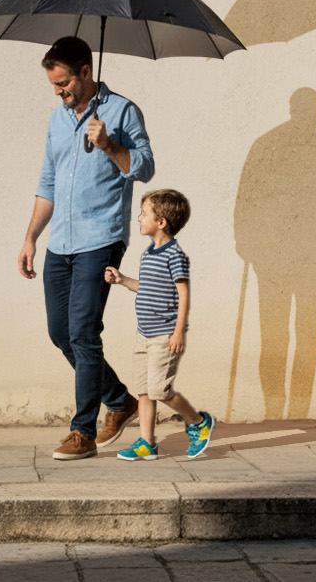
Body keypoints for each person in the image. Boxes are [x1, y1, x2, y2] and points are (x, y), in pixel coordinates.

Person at [18, 36, 156, 461]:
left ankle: (83, 431)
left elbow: (146, 168)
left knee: (83, 330)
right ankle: (119, 399)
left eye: (64, 84)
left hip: (102, 238)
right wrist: (30, 238)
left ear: (85, 72)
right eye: (53, 86)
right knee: (61, 332)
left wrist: (111, 145)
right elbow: (48, 183)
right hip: (61, 240)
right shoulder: (57, 122)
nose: (59, 92)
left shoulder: (123, 111)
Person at [234, 88, 316, 420]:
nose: (308, 117)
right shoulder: (276, 144)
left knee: (294, 331)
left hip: (298, 253)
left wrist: (247, 244)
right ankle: (281, 407)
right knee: (287, 331)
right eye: (306, 110)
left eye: (311, 111)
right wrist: (246, 241)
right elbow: (246, 197)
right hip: (282, 253)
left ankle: (290, 407)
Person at [104, 190, 215, 461]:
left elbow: (184, 295)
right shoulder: (148, 254)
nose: (139, 218)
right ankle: (147, 443)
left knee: (159, 390)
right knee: (143, 390)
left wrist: (178, 331)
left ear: (161, 222)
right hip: (144, 335)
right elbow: (147, 289)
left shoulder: (175, 256)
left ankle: (199, 421)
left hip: (165, 336)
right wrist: (123, 280)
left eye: (144, 214)